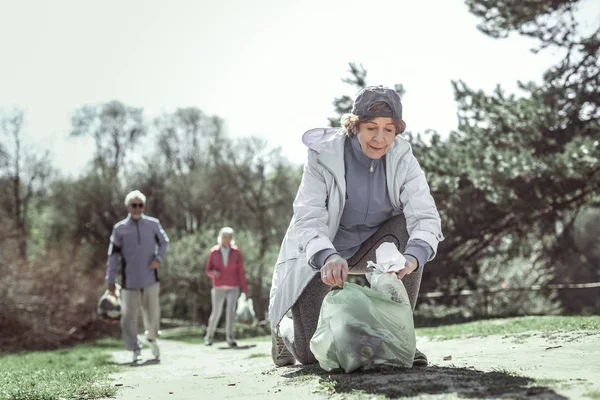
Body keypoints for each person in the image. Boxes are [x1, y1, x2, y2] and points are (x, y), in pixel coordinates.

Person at [268, 86, 444, 368]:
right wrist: (327, 255)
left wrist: (413, 258)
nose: (380, 138)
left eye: (389, 129)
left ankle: (399, 340)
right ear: (354, 125)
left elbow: (425, 216)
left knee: (411, 233)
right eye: (371, 127)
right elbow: (307, 216)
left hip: (370, 248)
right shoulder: (323, 156)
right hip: (321, 255)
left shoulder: (403, 158)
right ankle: (284, 332)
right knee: (312, 356)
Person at [106, 190, 169, 363]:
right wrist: (110, 280)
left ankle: (152, 338)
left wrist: (158, 258)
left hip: (150, 279)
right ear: (128, 206)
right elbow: (113, 257)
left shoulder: (153, 224)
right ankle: (135, 348)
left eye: (140, 205)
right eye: (134, 205)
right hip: (129, 282)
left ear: (144, 206)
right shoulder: (120, 229)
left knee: (153, 315)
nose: (137, 208)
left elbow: (164, 242)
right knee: (129, 318)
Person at [204, 227, 249, 347]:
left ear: (232, 239)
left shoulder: (236, 252)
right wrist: (214, 273)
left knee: (230, 312)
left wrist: (245, 288)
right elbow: (208, 270)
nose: (227, 240)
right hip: (218, 286)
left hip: (233, 286)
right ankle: (209, 336)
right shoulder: (214, 251)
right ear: (221, 238)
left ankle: (230, 338)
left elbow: (241, 271)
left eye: (229, 237)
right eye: (225, 237)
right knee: (216, 312)